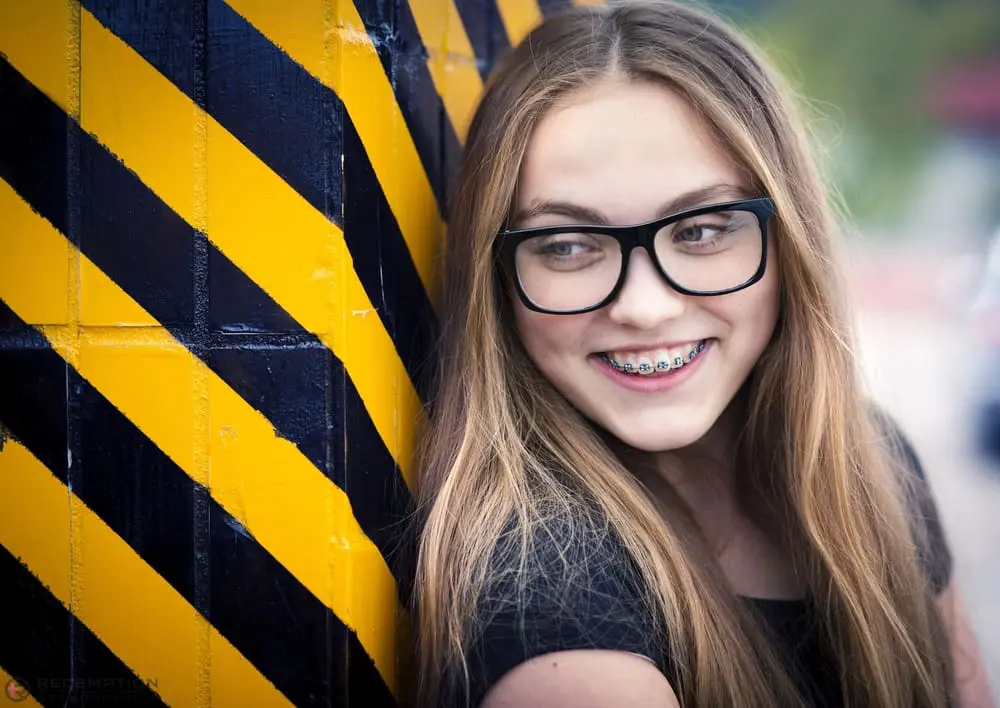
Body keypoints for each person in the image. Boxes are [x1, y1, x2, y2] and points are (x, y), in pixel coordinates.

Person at [407, 2, 996, 706]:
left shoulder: (874, 463)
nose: (645, 307)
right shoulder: (550, 602)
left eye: (704, 230)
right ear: (496, 279)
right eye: (566, 246)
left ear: (787, 242)